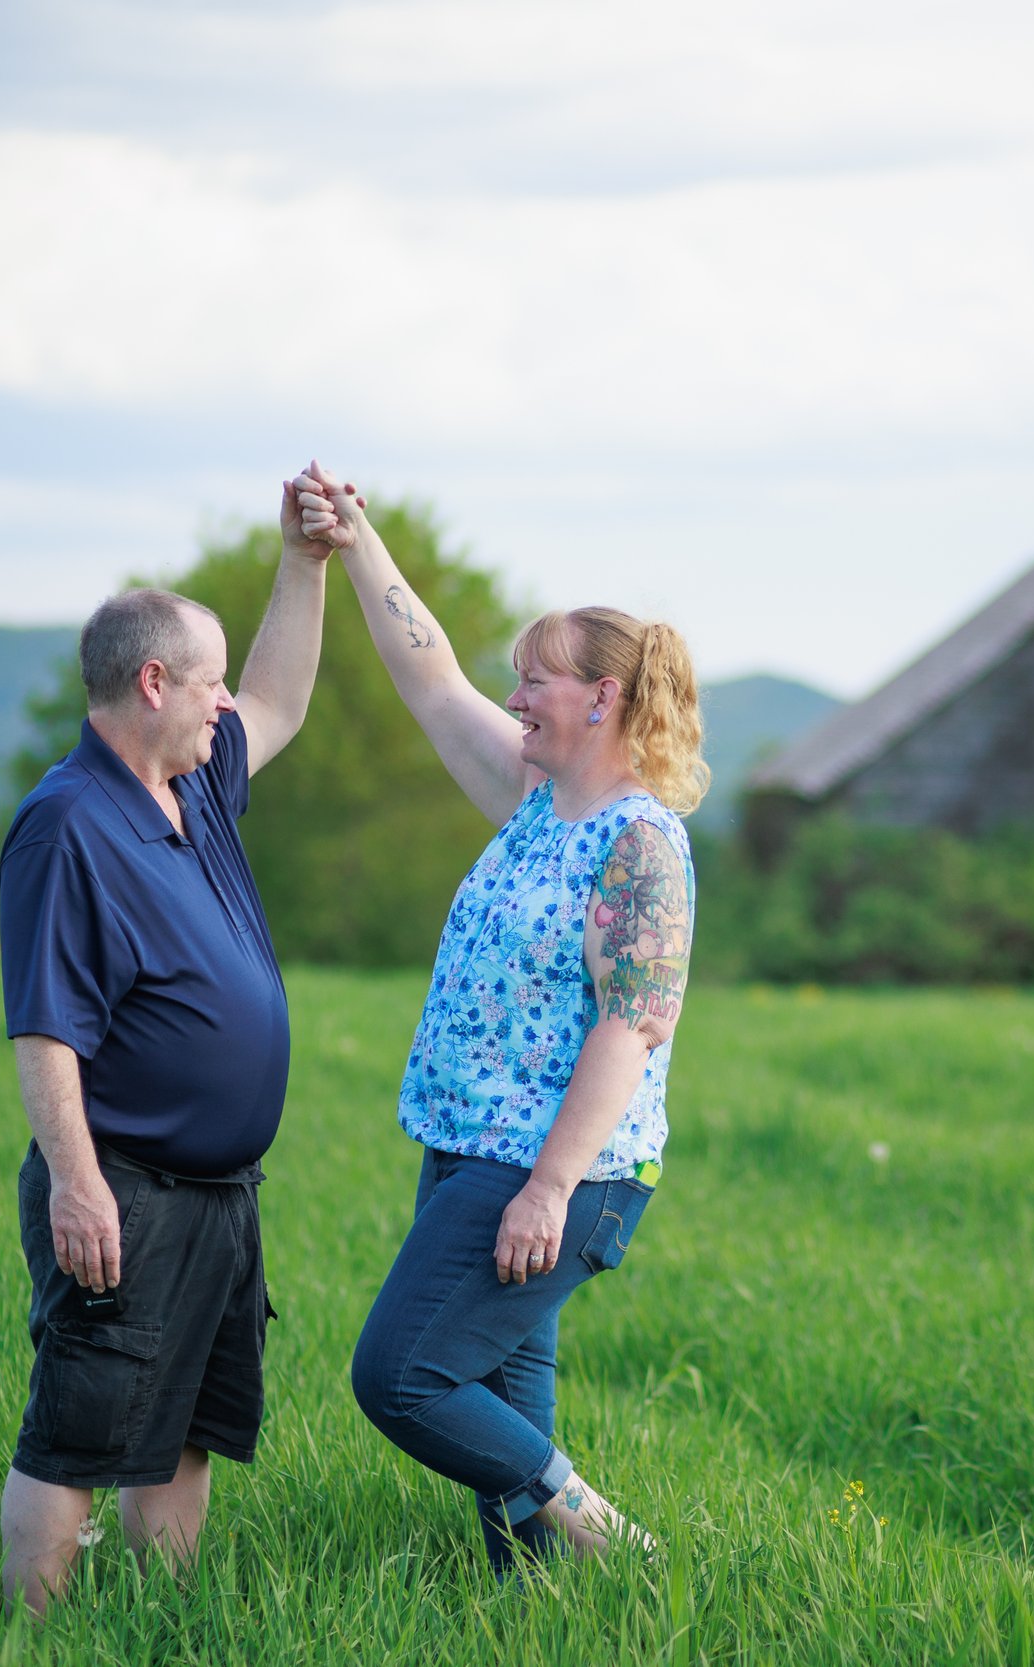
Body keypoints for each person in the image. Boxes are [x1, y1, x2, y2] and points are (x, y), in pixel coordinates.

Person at [293, 464, 705, 1575]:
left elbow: (632, 1026)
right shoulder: (536, 805)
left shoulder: (637, 841)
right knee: (501, 1399)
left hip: (554, 1168)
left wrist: (549, 1188)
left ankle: (613, 1541)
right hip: (471, 1147)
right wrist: (355, 539)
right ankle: (544, 1605)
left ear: (602, 699)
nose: (516, 697)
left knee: (402, 1375)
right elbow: (430, 678)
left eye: (535, 681)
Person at [0, 467, 342, 1612]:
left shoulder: (193, 785)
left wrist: (303, 561)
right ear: (154, 682)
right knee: (82, 1424)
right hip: (126, 1183)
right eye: (208, 681)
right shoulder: (68, 822)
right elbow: (45, 1025)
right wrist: (77, 1183)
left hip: (219, 1192)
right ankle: (30, 1631)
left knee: (186, 1419)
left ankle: (160, 1618)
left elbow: (279, 700)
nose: (225, 701)